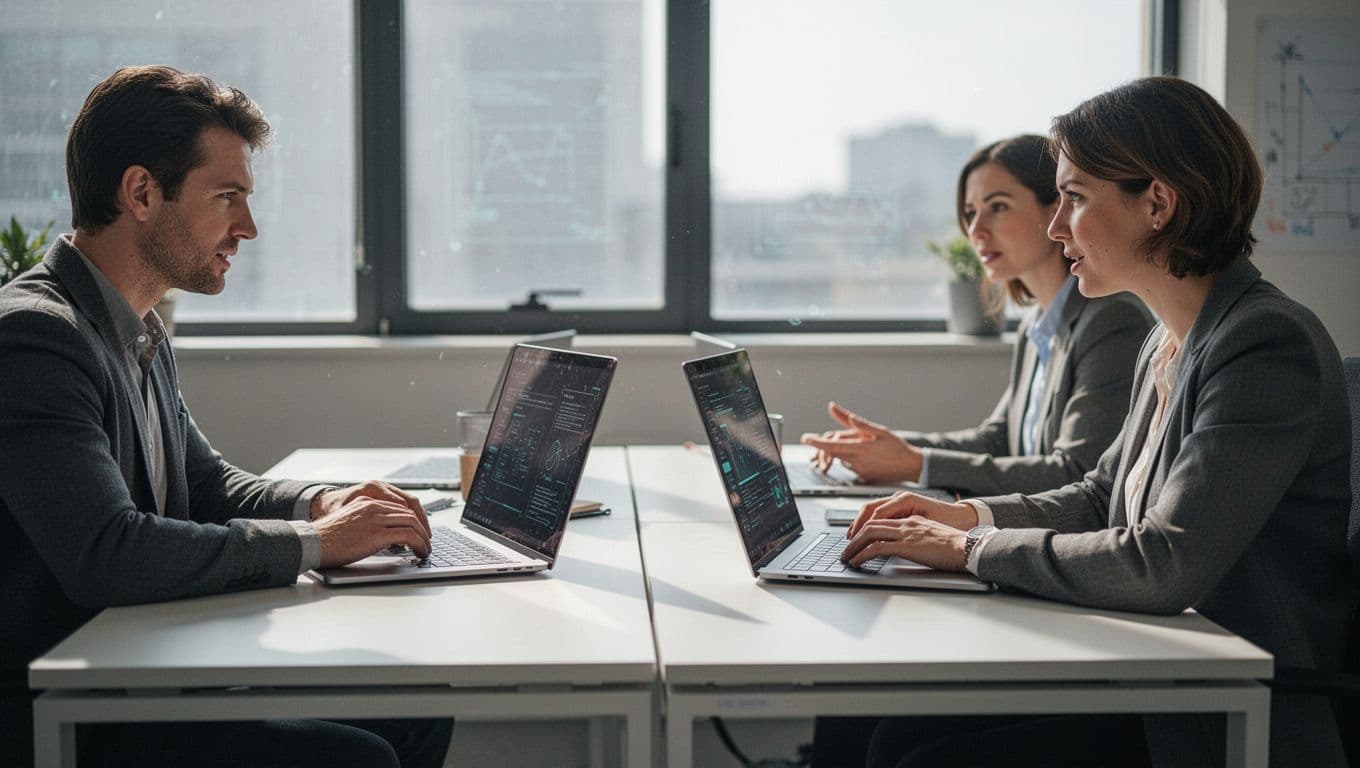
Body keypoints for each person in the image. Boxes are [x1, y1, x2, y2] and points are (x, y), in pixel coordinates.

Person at [840, 76, 1355, 768]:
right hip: (1155, 669)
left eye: (1075, 198)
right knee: (889, 730)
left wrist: (968, 551)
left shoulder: (1263, 342)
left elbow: (1161, 562)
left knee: (919, 755)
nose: (1057, 226)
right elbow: (1096, 496)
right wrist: (962, 518)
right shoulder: (1168, 338)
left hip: (1228, 710)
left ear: (1159, 204)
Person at [0, 66, 453, 768]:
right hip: (65, 711)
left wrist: (324, 503)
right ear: (142, 193)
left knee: (421, 708)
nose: (248, 227)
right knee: (357, 758)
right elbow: (106, 554)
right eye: (227, 198)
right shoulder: (36, 338)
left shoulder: (137, 327)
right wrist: (316, 543)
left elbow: (208, 486)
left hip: (142, 669)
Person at [800, 135, 1151, 498]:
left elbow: (1077, 472)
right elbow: (997, 439)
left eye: (997, 207)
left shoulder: (1111, 321)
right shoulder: (1036, 326)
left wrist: (915, 463)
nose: (976, 230)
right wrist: (880, 446)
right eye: (970, 214)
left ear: (1055, 209)